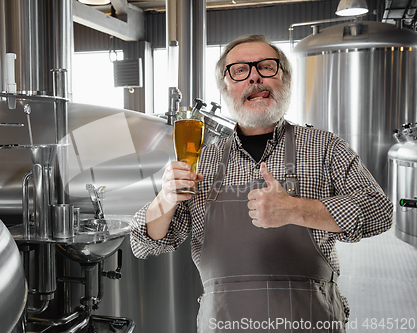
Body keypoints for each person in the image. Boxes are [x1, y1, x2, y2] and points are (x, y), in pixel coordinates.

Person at [130, 34, 393, 332]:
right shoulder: (203, 159)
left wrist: (296, 210)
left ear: (287, 81)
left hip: (310, 321)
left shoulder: (325, 147)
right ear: (225, 89)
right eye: (240, 70)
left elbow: (379, 212)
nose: (254, 76)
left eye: (267, 67)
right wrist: (164, 199)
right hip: (224, 323)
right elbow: (144, 243)